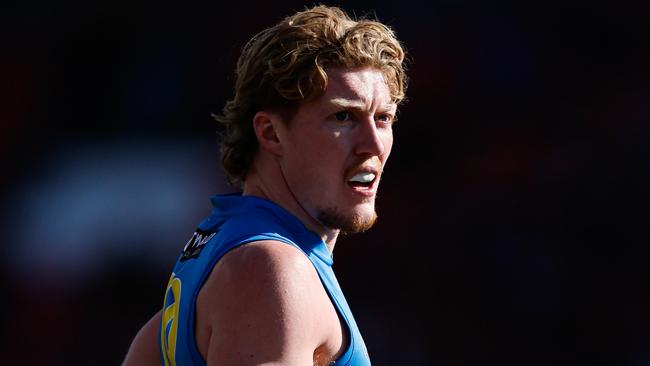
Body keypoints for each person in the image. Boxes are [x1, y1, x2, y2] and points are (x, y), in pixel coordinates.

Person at [123, 5, 407, 365]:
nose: (373, 144)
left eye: (383, 118)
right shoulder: (270, 269)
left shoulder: (222, 253)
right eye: (343, 116)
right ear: (271, 133)